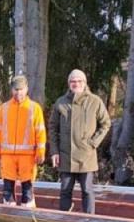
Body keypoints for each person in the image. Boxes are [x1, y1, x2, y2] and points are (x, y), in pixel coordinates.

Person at [47, 69, 110, 213]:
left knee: (87, 191)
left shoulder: (95, 101)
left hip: (86, 156)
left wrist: (93, 143)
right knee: (65, 191)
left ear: (84, 83)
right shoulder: (60, 103)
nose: (76, 84)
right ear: (69, 84)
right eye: (73, 81)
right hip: (65, 155)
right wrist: (54, 152)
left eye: (79, 81)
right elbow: (52, 128)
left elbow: (106, 123)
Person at [0, 75, 46, 207]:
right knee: (8, 190)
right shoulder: (3, 108)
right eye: (16, 89)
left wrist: (41, 152)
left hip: (28, 156)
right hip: (7, 155)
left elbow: (40, 132)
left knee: (27, 191)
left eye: (21, 89)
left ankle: (28, 221)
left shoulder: (34, 108)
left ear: (26, 89)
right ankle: (8, 219)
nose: (18, 92)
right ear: (11, 90)